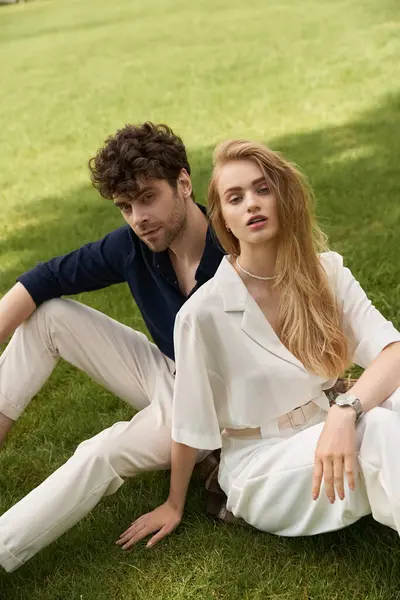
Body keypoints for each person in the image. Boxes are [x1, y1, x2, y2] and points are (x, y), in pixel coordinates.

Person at [118, 139, 400, 550]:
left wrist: (343, 411)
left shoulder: (327, 272)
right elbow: (188, 423)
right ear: (224, 220)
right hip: (263, 463)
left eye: (262, 189)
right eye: (236, 198)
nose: (252, 203)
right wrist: (174, 504)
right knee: (376, 431)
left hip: (329, 423)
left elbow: (392, 351)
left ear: (283, 197)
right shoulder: (202, 314)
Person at [0, 123, 225, 572]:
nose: (138, 217)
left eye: (147, 198)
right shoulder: (135, 247)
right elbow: (45, 277)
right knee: (49, 316)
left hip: (215, 410)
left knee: (100, 451)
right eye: (125, 206)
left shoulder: (234, 249)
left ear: (183, 183)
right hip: (169, 371)